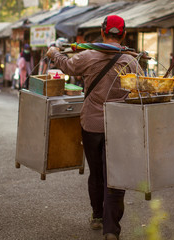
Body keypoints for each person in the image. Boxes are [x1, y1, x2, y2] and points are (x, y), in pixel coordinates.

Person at [46, 15, 142, 240]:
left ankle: (97, 216)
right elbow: (141, 88)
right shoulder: (131, 61)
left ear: (102, 31)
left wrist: (53, 53)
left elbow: (66, 66)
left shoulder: (87, 56)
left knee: (96, 174)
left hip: (91, 125)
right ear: (124, 34)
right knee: (115, 177)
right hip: (120, 127)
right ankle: (111, 230)